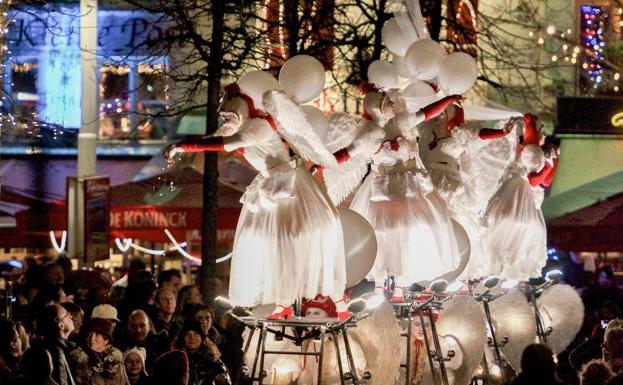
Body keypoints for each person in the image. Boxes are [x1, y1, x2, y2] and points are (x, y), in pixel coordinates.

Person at [67, 318, 129, 385]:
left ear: (106, 340)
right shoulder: (79, 361)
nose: (92, 338)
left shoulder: (117, 362)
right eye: (90, 334)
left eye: (97, 335)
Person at [175, 320, 231, 385]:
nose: (192, 337)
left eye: (196, 333)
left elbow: (227, 379)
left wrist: (218, 381)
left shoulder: (213, 359)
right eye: (187, 334)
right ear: (182, 339)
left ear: (202, 338)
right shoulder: (176, 359)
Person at [37, 304, 76, 385]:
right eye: (67, 315)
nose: (71, 316)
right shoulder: (57, 352)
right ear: (61, 325)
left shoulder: (58, 347)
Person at [154, 288, 181, 356]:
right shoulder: (152, 326)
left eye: (172, 299)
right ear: (157, 304)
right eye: (164, 299)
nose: (169, 302)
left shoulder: (181, 325)